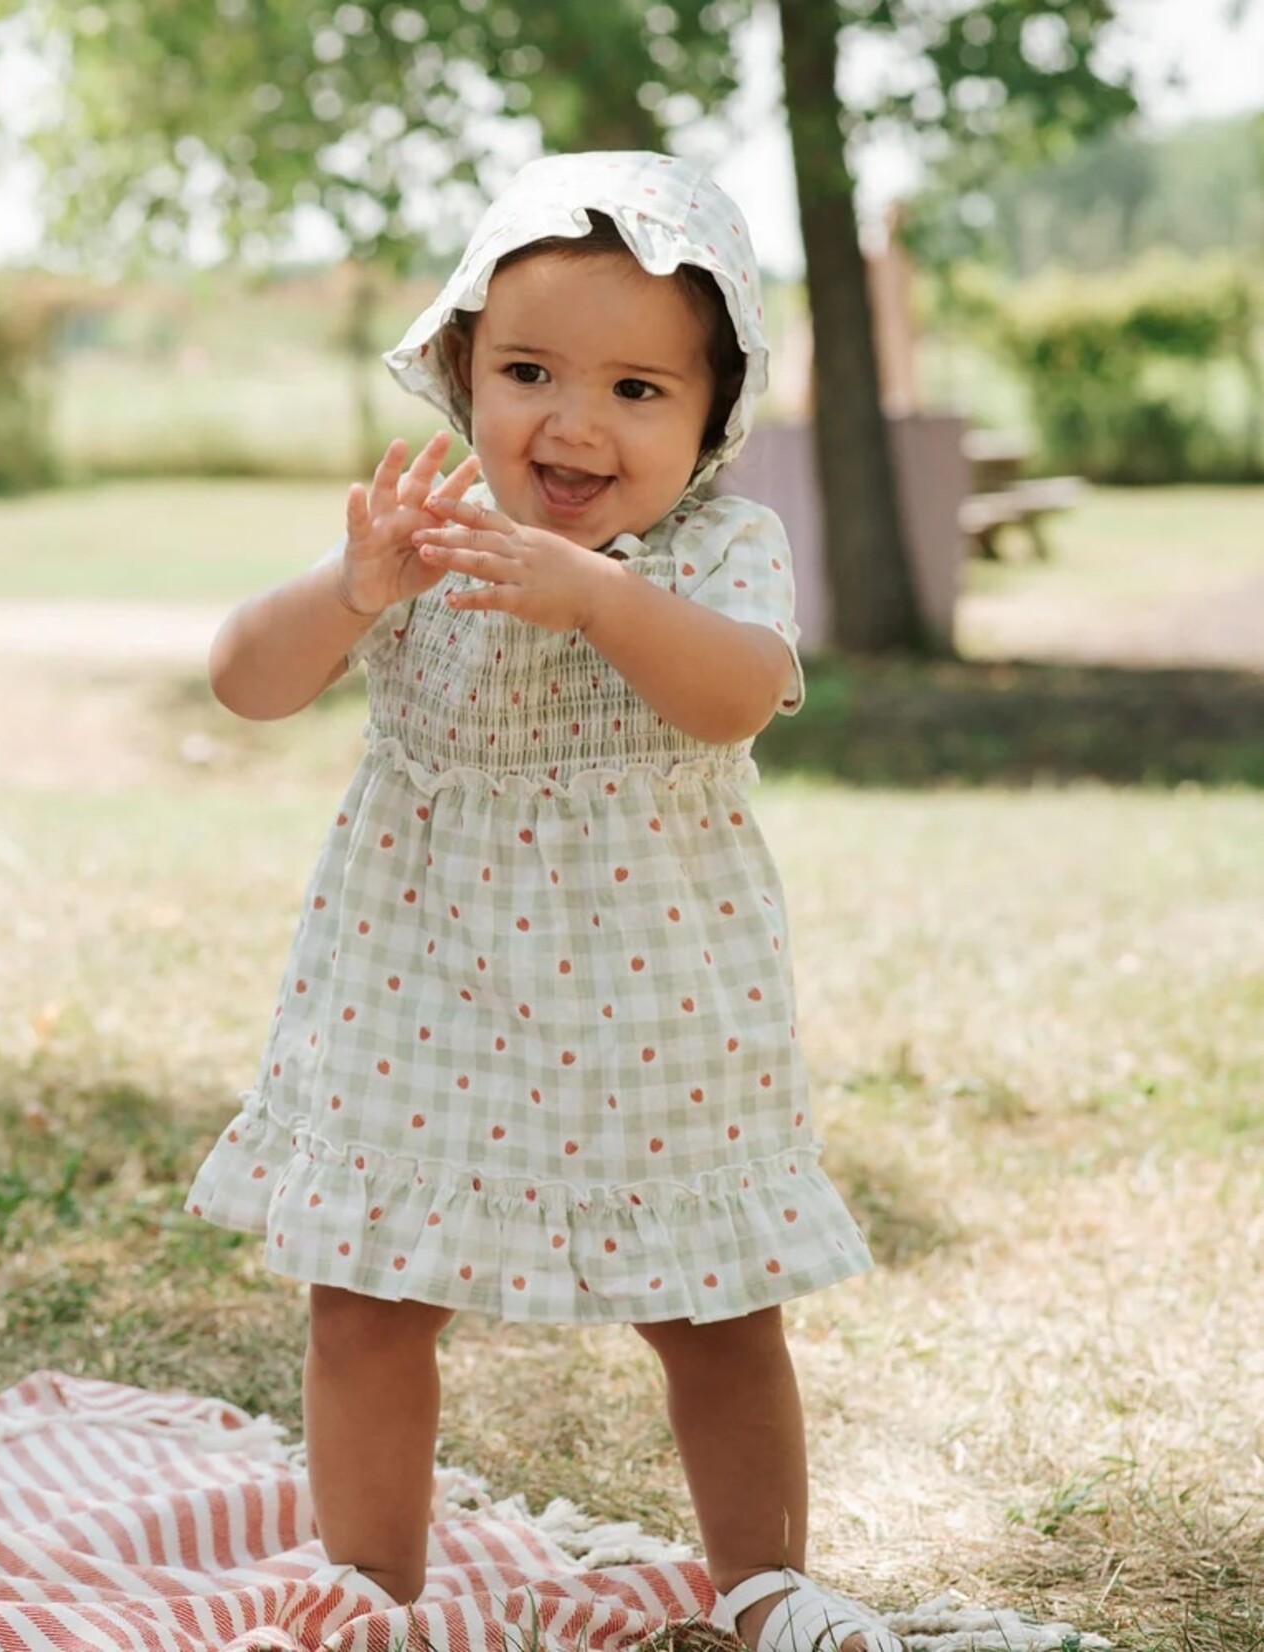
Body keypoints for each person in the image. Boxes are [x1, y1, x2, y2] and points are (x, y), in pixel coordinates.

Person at [184, 151, 900, 1652]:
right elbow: (246, 682)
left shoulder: (719, 550)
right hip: (420, 978)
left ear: (713, 420)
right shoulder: (421, 536)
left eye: (640, 390)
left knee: (711, 1306)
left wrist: (601, 597)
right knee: (365, 1297)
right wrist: (350, 589)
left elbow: (738, 695)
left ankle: (765, 1582)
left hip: (650, 993)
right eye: (529, 372)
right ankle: (368, 1590)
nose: (575, 422)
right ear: (459, 373)